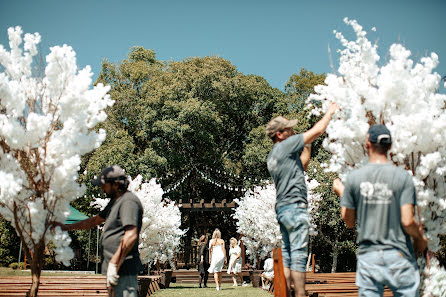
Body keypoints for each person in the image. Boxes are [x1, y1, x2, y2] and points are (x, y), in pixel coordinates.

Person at [333, 124, 428, 297]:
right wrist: (420, 238)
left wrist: (342, 193)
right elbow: (407, 221)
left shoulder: (354, 178)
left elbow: (349, 222)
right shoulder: (403, 177)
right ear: (390, 146)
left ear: (367, 143)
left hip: (369, 256)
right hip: (399, 255)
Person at [266, 102, 339, 297]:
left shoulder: (274, 156)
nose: (292, 132)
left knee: (289, 255)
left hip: (282, 209)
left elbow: (303, 165)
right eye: (288, 129)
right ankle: (300, 294)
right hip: (295, 207)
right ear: (279, 134)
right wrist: (330, 111)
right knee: (299, 255)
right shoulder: (285, 146)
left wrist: (307, 144)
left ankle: (289, 293)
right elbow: (318, 129)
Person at [52, 165, 143, 297]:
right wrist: (66, 227)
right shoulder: (114, 202)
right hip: (115, 269)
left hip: (123, 268)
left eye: (104, 185)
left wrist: (114, 262)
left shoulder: (128, 202)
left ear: (116, 184)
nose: (101, 188)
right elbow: (94, 221)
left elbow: (131, 235)